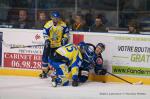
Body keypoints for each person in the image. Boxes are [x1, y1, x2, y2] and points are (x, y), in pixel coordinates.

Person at [39, 11, 69, 79]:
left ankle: (58, 72)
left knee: (56, 60)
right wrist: (47, 40)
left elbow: (66, 33)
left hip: (59, 46)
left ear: (59, 18)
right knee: (45, 57)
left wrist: (64, 39)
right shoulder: (48, 24)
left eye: (57, 18)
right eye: (54, 18)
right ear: (51, 18)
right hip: (50, 45)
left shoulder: (63, 25)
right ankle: (44, 72)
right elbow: (45, 33)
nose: (55, 20)